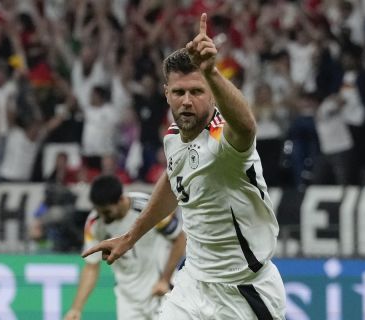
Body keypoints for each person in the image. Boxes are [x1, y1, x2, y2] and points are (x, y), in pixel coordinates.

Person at [83, 13, 287, 320]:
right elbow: (174, 180)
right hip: (193, 283)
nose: (187, 101)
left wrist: (212, 72)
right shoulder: (174, 138)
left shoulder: (223, 141)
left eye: (197, 91)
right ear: (167, 93)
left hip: (244, 290)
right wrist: (129, 238)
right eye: (179, 92)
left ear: (212, 94)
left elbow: (246, 127)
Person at [64, 175, 186, 320]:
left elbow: (179, 239)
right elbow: (91, 266)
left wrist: (165, 280)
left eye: (107, 212)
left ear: (121, 199)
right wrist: (76, 308)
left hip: (159, 291)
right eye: (99, 211)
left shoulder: (149, 209)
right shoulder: (94, 223)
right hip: (127, 299)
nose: (102, 217)